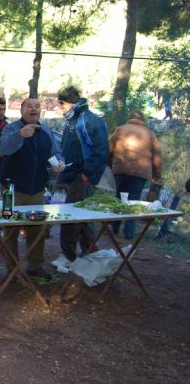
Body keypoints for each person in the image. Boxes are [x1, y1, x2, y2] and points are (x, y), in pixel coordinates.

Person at [0, 98, 63, 280]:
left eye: (37, 106)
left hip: (37, 190)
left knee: (37, 230)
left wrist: (58, 163)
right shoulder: (11, 128)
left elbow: (55, 153)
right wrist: (20, 135)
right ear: (21, 110)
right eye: (29, 106)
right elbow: (2, 149)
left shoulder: (46, 131)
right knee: (10, 230)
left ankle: (35, 266)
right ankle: (11, 268)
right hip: (11, 190)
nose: (34, 109)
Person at [53, 86, 109, 269]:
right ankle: (89, 252)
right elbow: (70, 149)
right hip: (72, 174)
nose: (59, 107)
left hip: (83, 177)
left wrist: (88, 175)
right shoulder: (72, 121)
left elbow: (100, 151)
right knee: (83, 217)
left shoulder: (88, 120)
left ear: (72, 102)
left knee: (71, 217)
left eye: (61, 103)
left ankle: (69, 255)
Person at [108, 111, 162, 239]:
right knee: (134, 201)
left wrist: (109, 166)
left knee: (118, 198)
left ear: (130, 119)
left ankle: (115, 227)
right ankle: (129, 232)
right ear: (143, 120)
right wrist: (157, 175)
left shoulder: (119, 130)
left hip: (120, 170)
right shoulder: (150, 134)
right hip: (140, 173)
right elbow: (157, 157)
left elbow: (109, 150)